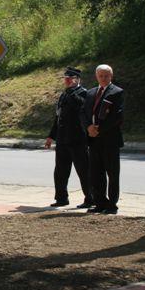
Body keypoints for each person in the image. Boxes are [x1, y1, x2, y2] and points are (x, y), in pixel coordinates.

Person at [44, 67, 93, 209]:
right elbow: (58, 117)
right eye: (65, 78)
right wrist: (51, 136)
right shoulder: (63, 95)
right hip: (62, 139)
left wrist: (72, 92)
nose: (66, 81)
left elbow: (81, 108)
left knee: (84, 171)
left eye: (69, 78)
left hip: (78, 139)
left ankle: (90, 198)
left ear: (77, 79)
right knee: (60, 171)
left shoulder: (84, 93)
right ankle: (61, 198)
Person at [81, 64, 124, 214]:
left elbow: (117, 117)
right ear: (96, 76)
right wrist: (88, 128)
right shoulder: (91, 93)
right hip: (94, 140)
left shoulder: (117, 92)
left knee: (112, 173)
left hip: (110, 139)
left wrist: (98, 130)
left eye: (106, 76)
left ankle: (112, 205)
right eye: (101, 76)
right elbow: (83, 113)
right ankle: (99, 203)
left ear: (111, 76)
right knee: (95, 173)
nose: (103, 78)